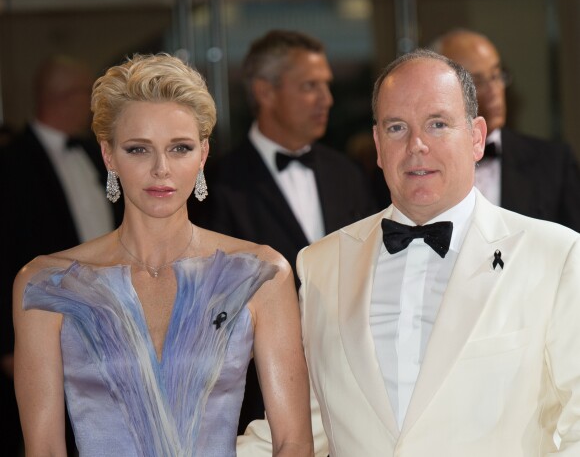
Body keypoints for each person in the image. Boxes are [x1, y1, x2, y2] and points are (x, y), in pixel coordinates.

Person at [240, 49, 580, 456]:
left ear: (475, 137)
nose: (417, 145)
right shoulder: (321, 264)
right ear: (379, 146)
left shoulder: (555, 255)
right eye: (397, 127)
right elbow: (299, 425)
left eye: (438, 124)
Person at [13, 53, 313, 457]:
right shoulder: (46, 284)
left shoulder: (259, 274)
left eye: (180, 148)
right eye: (138, 149)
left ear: (203, 155)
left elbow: (294, 442)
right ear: (108, 155)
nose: (161, 169)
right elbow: (44, 450)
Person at [192, 29, 377, 431]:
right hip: (258, 400)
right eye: (310, 86)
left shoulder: (347, 174)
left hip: (353, 392)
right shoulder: (217, 186)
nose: (326, 99)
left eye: (327, 85)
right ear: (265, 91)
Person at [0, 55, 123, 456]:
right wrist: (8, 345)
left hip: (112, 320)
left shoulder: (96, 154)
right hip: (44, 322)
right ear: (63, 97)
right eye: (91, 98)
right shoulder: (10, 164)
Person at [430, 28, 580, 231]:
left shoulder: (553, 164)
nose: (494, 90)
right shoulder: (415, 166)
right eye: (477, 81)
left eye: (496, 75)